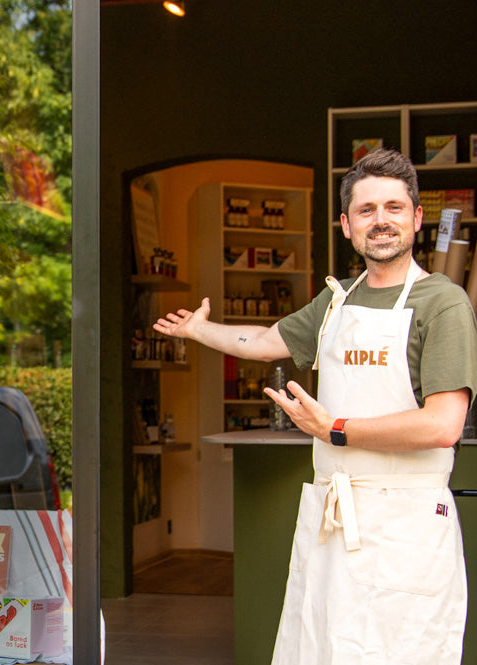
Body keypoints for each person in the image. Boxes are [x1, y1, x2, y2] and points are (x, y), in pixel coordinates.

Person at [153, 148, 477, 664]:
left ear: (417, 218)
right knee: (323, 650)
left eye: (394, 207)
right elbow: (262, 341)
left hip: (405, 526)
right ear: (347, 225)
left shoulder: (443, 302)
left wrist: (335, 428)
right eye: (367, 211)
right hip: (336, 523)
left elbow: (443, 424)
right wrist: (198, 330)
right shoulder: (336, 300)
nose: (381, 221)